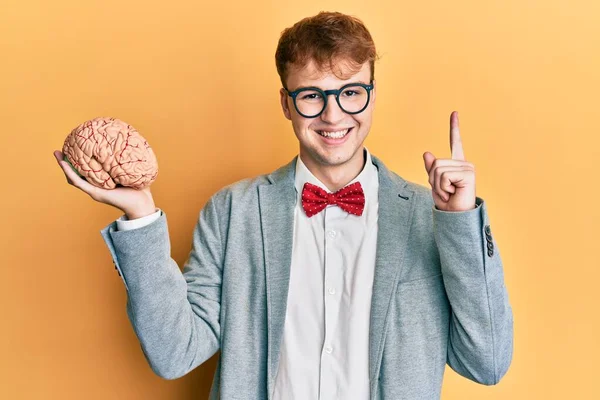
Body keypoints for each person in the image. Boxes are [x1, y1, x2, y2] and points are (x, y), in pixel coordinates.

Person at [53, 11, 513, 400]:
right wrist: (141, 216)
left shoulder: (428, 216)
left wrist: (460, 227)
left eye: (351, 92)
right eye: (312, 95)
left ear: (372, 94)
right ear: (286, 104)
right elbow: (175, 353)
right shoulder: (231, 212)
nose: (334, 116)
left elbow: (487, 362)